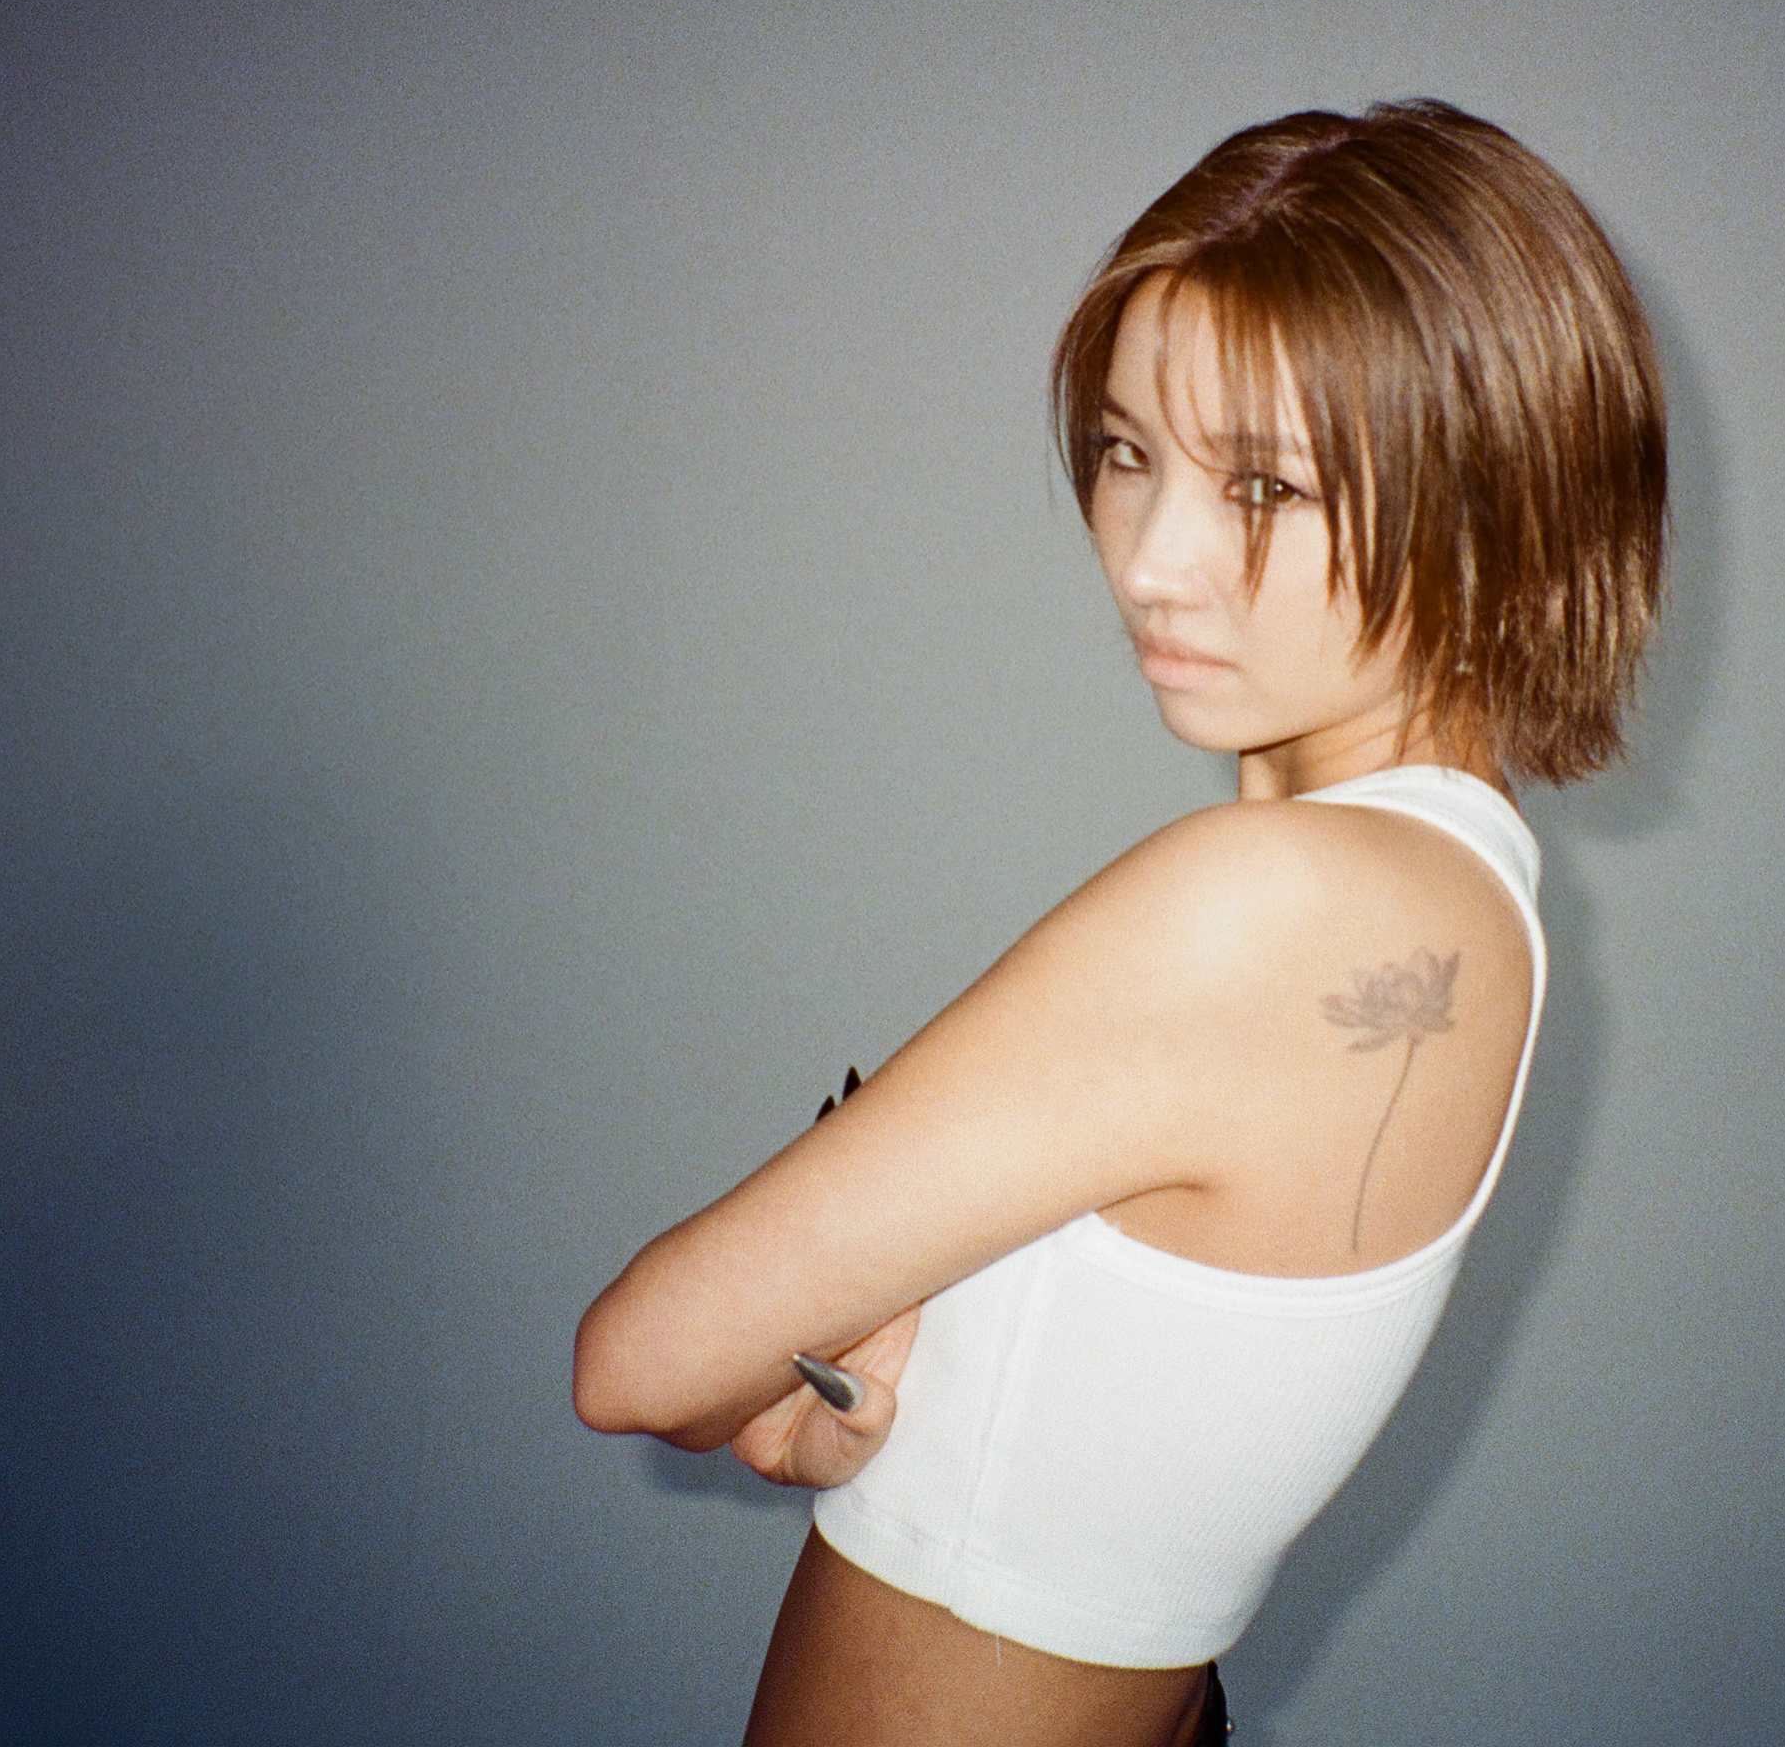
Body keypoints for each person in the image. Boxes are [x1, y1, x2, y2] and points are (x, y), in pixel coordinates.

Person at [574, 99, 1668, 1745]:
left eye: (1264, 485)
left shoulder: (1265, 903)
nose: (1152, 561)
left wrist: (791, 1371)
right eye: (1125, 452)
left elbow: (636, 1364)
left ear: (1489, 498)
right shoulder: (1469, 894)